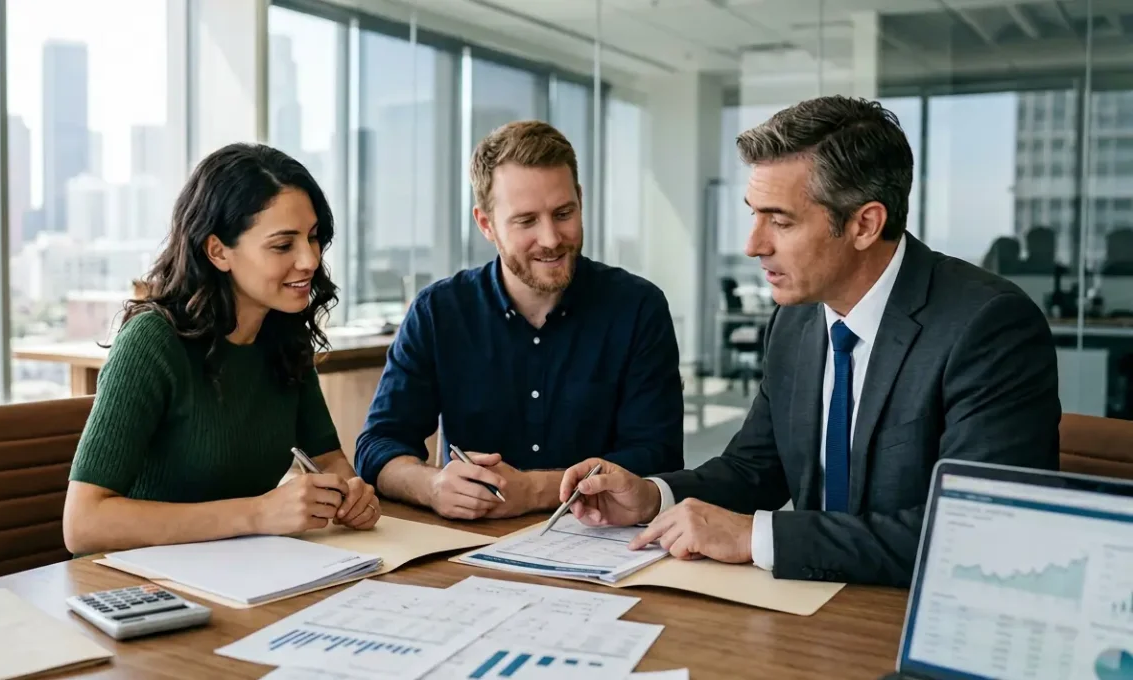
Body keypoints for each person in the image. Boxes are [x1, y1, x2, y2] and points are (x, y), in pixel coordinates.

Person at [558, 95, 1061, 587]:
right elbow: (754, 468)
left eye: (780, 221)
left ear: (864, 224)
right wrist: (652, 496)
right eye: (754, 215)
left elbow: (979, 533)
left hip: (913, 613)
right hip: (811, 607)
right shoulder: (796, 320)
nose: (753, 245)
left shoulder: (988, 326)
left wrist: (757, 537)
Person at [354, 120, 685, 521]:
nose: (551, 238)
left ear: (580, 200)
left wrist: (534, 491)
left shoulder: (638, 307)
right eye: (526, 221)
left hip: (604, 537)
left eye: (563, 213)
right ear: (486, 224)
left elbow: (659, 457)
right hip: (470, 542)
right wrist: (433, 485)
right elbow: (378, 445)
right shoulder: (438, 311)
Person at [62, 143, 379, 554]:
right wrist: (258, 514)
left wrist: (352, 494)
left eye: (313, 238)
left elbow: (328, 459)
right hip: (142, 578)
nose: (310, 260)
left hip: (241, 569)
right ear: (218, 251)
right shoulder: (151, 342)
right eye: (283, 245)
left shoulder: (283, 335)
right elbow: (83, 523)